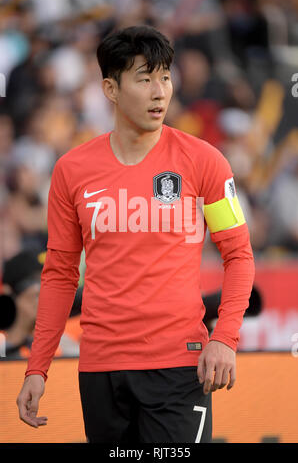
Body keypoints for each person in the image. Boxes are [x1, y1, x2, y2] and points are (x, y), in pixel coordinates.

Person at [16, 25, 255, 443]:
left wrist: (225, 339)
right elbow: (59, 273)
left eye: (164, 76)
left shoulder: (206, 162)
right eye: (144, 79)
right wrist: (38, 367)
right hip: (101, 371)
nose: (159, 91)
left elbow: (239, 255)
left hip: (181, 367)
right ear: (110, 88)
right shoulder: (72, 171)